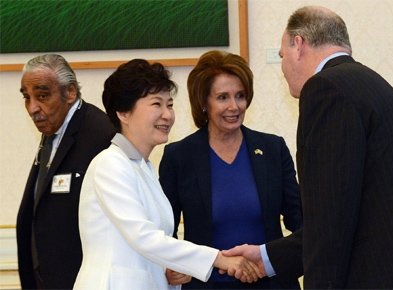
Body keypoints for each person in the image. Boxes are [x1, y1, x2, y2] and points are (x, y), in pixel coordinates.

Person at [224, 6, 393, 289]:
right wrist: (267, 257)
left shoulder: (325, 89)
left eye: (281, 55)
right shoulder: (366, 82)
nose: (283, 67)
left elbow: (330, 220)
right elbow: (351, 209)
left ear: (298, 44)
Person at [73, 59, 261, 290]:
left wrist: (174, 270)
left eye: (169, 105)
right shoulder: (109, 165)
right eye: (156, 104)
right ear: (123, 112)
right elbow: (144, 237)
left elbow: (152, 246)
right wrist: (218, 259)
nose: (167, 115)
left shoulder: (144, 168)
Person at [158, 50, 302, 289]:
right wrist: (169, 267)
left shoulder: (273, 149)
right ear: (204, 102)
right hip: (207, 284)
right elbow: (164, 229)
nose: (234, 106)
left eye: (240, 96)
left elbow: (300, 219)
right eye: (223, 97)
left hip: (270, 283)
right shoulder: (179, 156)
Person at [16, 54, 116, 289]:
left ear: (70, 93)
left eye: (42, 96)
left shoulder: (101, 135)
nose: (32, 108)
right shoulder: (54, 130)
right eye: (27, 97)